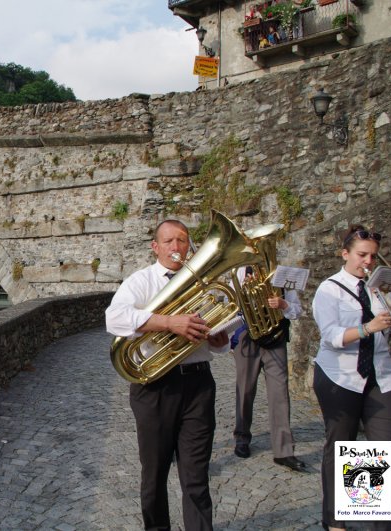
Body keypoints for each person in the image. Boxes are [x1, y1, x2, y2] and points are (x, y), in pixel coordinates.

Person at [105, 219, 229, 531]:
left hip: (198, 384)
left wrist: (218, 338)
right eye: (170, 241)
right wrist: (168, 323)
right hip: (156, 387)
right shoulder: (141, 281)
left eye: (183, 240)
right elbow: (114, 318)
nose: (176, 247)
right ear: (156, 247)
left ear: (191, 246)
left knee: (196, 476)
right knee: (155, 474)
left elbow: (217, 339)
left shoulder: (204, 284)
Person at [312, 224, 391, 531]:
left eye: (373, 257)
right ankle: (335, 522)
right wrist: (368, 327)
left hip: (380, 376)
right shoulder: (329, 289)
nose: (368, 262)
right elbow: (331, 336)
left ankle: (380, 524)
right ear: (345, 253)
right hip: (340, 376)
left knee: (382, 454)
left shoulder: (379, 289)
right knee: (342, 448)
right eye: (362, 255)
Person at [232, 265, 307, 472]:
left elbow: (297, 310)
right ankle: (241, 437)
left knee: (280, 393)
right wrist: (244, 294)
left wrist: (283, 304)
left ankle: (284, 451)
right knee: (245, 389)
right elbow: (229, 306)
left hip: (276, 338)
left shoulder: (283, 274)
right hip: (248, 338)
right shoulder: (239, 272)